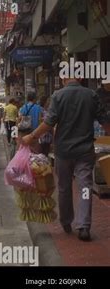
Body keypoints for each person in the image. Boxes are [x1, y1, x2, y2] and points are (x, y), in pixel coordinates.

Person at [22, 78, 110, 242]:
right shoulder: (90, 95)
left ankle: (66, 221)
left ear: (64, 78)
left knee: (64, 187)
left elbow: (49, 123)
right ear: (81, 78)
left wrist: (32, 136)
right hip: (85, 150)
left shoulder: (58, 95)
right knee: (85, 186)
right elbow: (105, 123)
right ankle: (84, 225)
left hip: (63, 151)